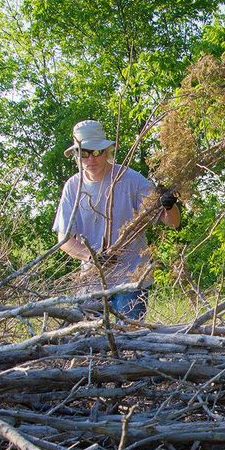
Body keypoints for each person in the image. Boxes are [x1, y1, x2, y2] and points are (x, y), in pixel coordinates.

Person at [53, 119, 180, 320]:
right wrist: (91, 256)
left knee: (131, 338)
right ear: (77, 154)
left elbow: (172, 222)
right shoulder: (73, 186)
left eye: (96, 152)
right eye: (84, 153)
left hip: (132, 279)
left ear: (107, 151)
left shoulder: (132, 179)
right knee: (88, 341)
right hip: (91, 282)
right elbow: (65, 239)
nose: (90, 159)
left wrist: (169, 205)